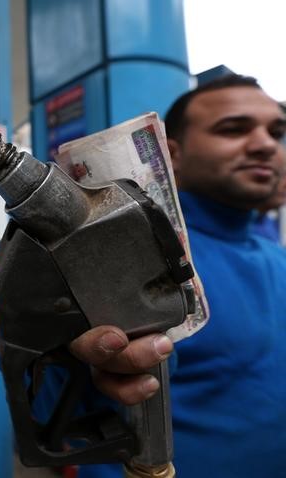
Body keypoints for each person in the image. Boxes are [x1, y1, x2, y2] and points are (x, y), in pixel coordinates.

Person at [67, 75, 286, 477]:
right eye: (233, 129)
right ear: (172, 154)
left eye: (277, 132)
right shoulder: (128, 259)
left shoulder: (277, 257)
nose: (264, 144)